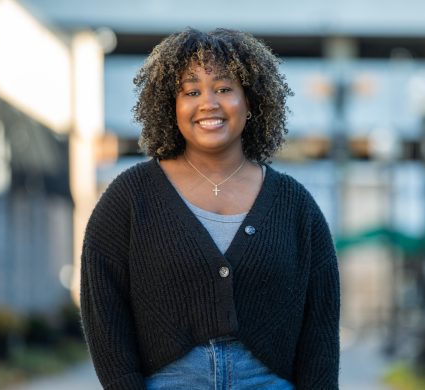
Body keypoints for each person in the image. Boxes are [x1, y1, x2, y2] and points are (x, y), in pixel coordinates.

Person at [80, 27, 340, 390]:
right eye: (191, 91)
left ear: (250, 102)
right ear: (171, 106)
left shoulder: (294, 205)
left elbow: (321, 326)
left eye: (223, 88)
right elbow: (103, 311)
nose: (208, 103)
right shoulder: (130, 197)